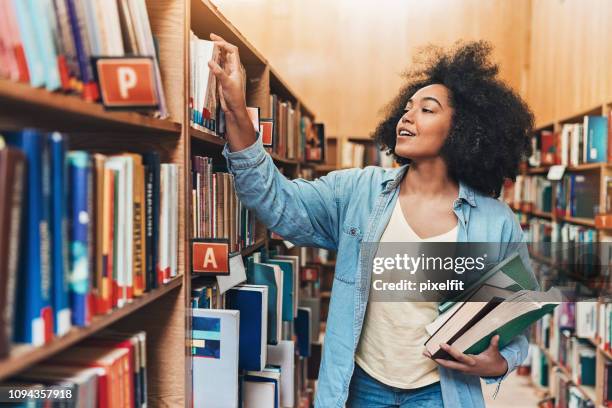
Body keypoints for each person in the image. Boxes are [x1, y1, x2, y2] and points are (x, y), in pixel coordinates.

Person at [209, 33, 536, 408]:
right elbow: (276, 204)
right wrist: (236, 109)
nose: (407, 117)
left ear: (463, 131)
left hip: (441, 394)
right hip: (361, 386)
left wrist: (497, 364)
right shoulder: (358, 192)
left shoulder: (497, 223)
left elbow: (516, 321)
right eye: (407, 107)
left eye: (427, 110)